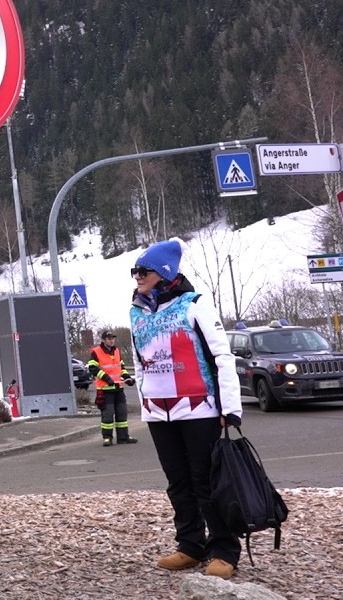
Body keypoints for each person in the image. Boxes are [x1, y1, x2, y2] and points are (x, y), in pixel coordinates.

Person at [128, 238, 243, 580]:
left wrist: (230, 407)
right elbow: (138, 362)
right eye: (134, 271)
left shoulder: (194, 306)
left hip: (199, 409)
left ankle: (224, 549)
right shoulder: (136, 312)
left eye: (143, 271)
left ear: (163, 273)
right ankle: (190, 546)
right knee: (177, 483)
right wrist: (144, 400)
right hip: (158, 413)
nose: (137, 276)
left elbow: (222, 357)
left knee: (207, 482)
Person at [88, 330, 137, 447]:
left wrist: (127, 378)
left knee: (122, 413)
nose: (111, 340)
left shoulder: (117, 351)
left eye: (112, 338)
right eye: (109, 338)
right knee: (108, 414)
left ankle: (123, 437)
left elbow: (121, 368)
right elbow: (93, 368)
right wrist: (106, 378)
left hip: (118, 388)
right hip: (105, 389)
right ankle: (107, 437)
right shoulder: (96, 352)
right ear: (103, 340)